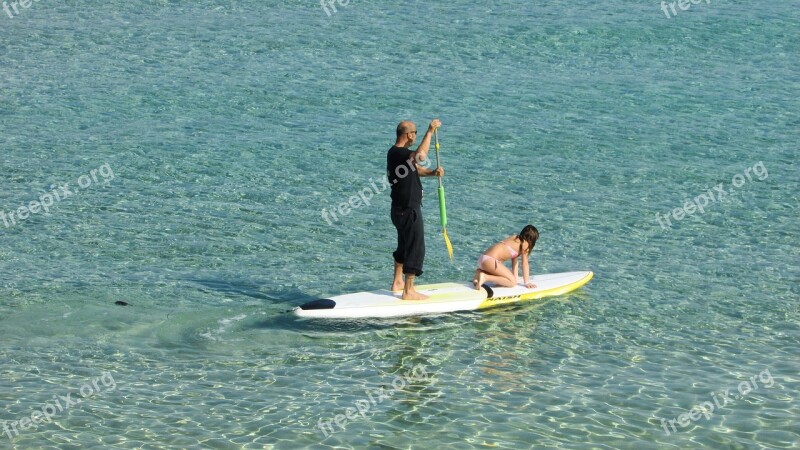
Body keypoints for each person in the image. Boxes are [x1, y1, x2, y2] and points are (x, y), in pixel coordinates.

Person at [387, 119, 444, 300]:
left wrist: (432, 173)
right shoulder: (399, 152)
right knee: (415, 247)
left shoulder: (395, 153)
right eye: (416, 133)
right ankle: (409, 290)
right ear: (409, 135)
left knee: (404, 245)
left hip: (399, 209)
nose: (416, 137)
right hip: (408, 209)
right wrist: (429, 131)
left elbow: (414, 168)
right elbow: (420, 157)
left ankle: (398, 282)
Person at [473, 225, 539, 290]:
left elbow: (514, 260)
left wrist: (515, 277)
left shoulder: (514, 238)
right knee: (512, 283)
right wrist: (527, 282)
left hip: (482, 259)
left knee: (506, 281)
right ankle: (485, 277)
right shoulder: (526, 244)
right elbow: (525, 263)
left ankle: (479, 272)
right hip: (491, 261)